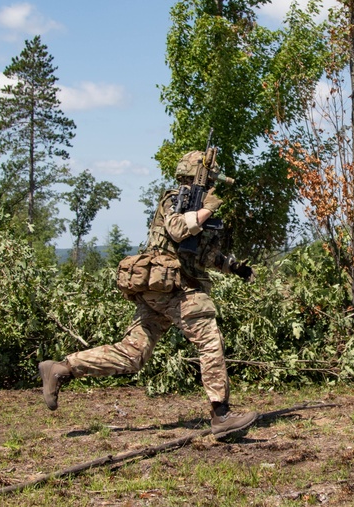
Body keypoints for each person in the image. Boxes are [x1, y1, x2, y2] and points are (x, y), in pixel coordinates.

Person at [38, 150, 257, 437]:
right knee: (208, 336)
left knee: (133, 354)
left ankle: (63, 368)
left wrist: (236, 268)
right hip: (171, 287)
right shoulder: (175, 199)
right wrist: (207, 209)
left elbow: (204, 255)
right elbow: (178, 230)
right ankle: (221, 414)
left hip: (163, 289)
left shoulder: (198, 206)